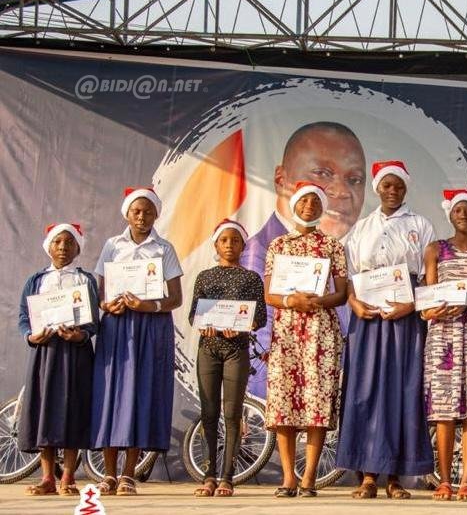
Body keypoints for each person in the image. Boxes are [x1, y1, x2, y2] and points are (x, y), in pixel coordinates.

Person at [240, 122, 366, 398]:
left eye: (354, 179)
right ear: (280, 179)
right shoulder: (261, 251)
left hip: (323, 373)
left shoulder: (337, 250)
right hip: (280, 384)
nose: (340, 191)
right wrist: (290, 301)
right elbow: (257, 357)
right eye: (322, 173)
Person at [336, 160, 436, 500]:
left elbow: (427, 279)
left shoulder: (420, 225)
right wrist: (354, 304)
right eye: (386, 186)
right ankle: (367, 475)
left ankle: (394, 477)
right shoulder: (361, 228)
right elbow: (348, 278)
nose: (392, 191)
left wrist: (411, 307)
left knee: (400, 391)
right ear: (377, 188)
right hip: (367, 318)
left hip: (404, 318)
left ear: (406, 189)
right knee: (364, 391)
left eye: (399, 186)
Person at [91, 187, 183, 496]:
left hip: (152, 328)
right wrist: (106, 306)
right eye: (136, 211)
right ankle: (108, 474)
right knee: (111, 395)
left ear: (157, 214)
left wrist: (148, 306)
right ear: (127, 214)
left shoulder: (164, 249)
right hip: (116, 327)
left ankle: (129, 473)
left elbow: (175, 298)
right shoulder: (112, 246)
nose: (142, 217)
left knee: (140, 394)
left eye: (148, 211)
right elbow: (100, 292)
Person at [263, 182, 349, 498]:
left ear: (322, 207)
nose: (309, 205)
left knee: (317, 402)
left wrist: (318, 302)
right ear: (295, 204)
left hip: (320, 333)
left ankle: (309, 477)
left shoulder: (333, 246)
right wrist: (291, 302)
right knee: (284, 402)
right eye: (304, 200)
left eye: (316, 201)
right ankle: (288, 477)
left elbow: (342, 293)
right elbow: (269, 293)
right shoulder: (278, 245)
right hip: (286, 332)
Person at [187, 219, 267, 497]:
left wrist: (243, 326)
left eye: (235, 240)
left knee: (232, 414)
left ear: (243, 245)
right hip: (208, 348)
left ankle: (227, 477)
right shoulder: (205, 277)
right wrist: (205, 324)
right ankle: (209, 474)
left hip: (237, 349)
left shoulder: (251, 278)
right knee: (209, 412)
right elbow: (194, 314)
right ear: (216, 244)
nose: (230, 245)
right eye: (224, 240)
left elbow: (260, 317)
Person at [18, 224, 98, 496]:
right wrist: (31, 336)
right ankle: (47, 478)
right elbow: (23, 317)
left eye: (69, 243)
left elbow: (94, 323)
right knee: (45, 411)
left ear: (78, 248)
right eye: (57, 242)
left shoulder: (85, 280)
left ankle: (68, 478)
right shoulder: (37, 281)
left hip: (75, 356)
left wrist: (80, 335)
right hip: (45, 354)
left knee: (72, 411)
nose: (63, 248)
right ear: (48, 247)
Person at [421, 189, 467, 502]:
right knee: (444, 411)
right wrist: (433, 309)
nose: (463, 215)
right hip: (443, 337)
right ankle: (445, 480)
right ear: (450, 214)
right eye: (458, 210)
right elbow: (425, 301)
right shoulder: (436, 249)